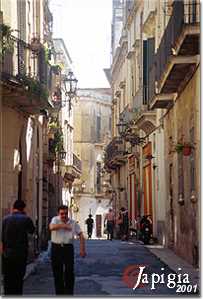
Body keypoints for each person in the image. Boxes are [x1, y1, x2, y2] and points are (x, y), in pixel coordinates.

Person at [49, 205, 86, 295]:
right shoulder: (55, 220)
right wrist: (63, 225)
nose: (64, 215)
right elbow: (51, 227)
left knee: (69, 271)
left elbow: (81, 235)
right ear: (59, 214)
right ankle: (59, 294)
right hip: (56, 248)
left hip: (68, 248)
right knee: (57, 273)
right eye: (62, 214)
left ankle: (69, 293)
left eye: (66, 213)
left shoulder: (73, 223)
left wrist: (82, 249)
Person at [2, 200, 35, 295]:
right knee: (18, 279)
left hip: (7, 254)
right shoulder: (26, 219)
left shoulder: (5, 219)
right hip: (20, 253)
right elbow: (32, 231)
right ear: (23, 208)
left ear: (13, 207)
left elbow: (2, 238)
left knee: (8, 279)